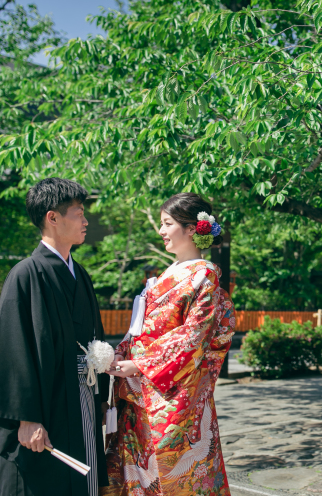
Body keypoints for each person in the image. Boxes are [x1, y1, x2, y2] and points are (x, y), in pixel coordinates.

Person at [0, 178, 109, 496]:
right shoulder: (25, 274)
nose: (86, 220)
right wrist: (26, 417)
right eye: (78, 213)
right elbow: (13, 351)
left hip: (81, 400)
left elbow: (94, 337)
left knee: (83, 481)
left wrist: (101, 398)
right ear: (52, 217)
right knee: (42, 482)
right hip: (45, 407)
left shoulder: (81, 274)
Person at [103, 193, 235, 496]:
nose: (161, 231)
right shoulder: (167, 274)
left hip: (174, 392)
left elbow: (194, 337)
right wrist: (121, 351)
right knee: (138, 464)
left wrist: (141, 364)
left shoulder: (203, 276)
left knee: (176, 471)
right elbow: (140, 328)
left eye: (167, 223)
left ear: (191, 229)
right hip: (140, 387)